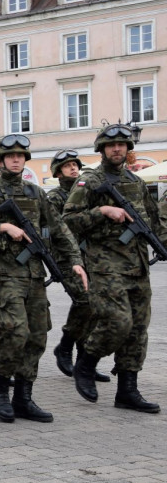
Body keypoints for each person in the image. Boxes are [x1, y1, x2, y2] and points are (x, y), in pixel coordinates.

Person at [0, 135, 86, 423]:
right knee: (13, 332)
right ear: (0, 161)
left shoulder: (34, 192)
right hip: (1, 275)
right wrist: (2, 227)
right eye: (11, 156)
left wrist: (76, 262)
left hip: (33, 275)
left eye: (21, 156)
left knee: (37, 335)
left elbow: (60, 229)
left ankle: (24, 397)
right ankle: (1, 391)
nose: (16, 159)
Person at [63, 124, 163, 413]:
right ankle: (87, 361)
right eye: (111, 145)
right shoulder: (90, 182)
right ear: (102, 149)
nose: (117, 149)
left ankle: (127, 391)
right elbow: (67, 219)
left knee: (138, 330)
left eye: (122, 145)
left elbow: (153, 221)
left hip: (138, 266)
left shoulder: (136, 181)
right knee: (118, 322)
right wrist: (102, 211)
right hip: (106, 266)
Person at [47, 150, 109, 384]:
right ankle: (65, 345)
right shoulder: (55, 197)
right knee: (84, 301)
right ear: (58, 171)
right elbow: (57, 229)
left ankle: (84, 361)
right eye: (67, 166)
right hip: (66, 259)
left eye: (75, 165)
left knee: (95, 306)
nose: (73, 168)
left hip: (93, 257)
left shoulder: (89, 192)